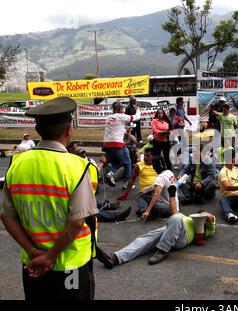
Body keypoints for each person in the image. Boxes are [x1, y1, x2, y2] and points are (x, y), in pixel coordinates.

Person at [1, 97, 98, 300]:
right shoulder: (77, 166)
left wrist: (34, 253)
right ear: (69, 129)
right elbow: (77, 222)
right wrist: (50, 256)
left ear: (37, 129)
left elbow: (7, 216)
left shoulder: (17, 163)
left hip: (32, 264)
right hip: (70, 263)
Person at [95, 185, 216, 268]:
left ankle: (163, 251)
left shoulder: (209, 226)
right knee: (143, 240)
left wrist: (203, 214)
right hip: (170, 230)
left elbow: (210, 217)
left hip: (182, 238)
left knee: (176, 218)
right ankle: (115, 258)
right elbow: (174, 212)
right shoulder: (187, 217)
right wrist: (172, 195)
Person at [103, 101, 140, 188]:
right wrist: (138, 109)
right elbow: (136, 117)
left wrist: (126, 130)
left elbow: (116, 129)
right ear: (120, 109)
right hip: (117, 144)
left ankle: (110, 174)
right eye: (123, 108)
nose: (124, 109)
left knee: (115, 162)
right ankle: (127, 183)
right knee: (127, 163)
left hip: (107, 144)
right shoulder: (120, 116)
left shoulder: (108, 118)